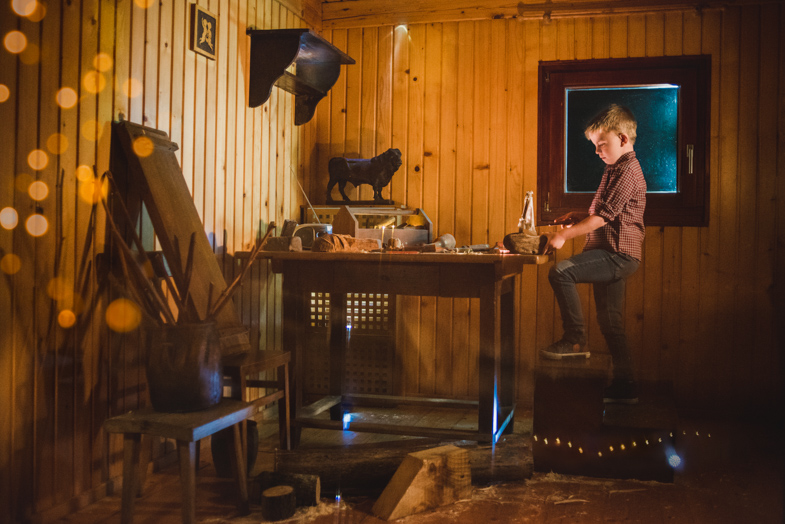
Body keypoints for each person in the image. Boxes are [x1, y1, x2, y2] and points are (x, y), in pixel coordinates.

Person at [540, 104, 646, 405]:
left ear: (623, 139)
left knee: (561, 272)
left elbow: (602, 218)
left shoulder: (628, 172)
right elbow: (602, 212)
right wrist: (577, 215)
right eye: (595, 147)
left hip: (617, 255)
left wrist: (562, 235)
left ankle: (574, 339)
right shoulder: (614, 169)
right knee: (611, 322)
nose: (598, 152)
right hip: (612, 252)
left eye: (602, 145)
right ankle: (627, 387)